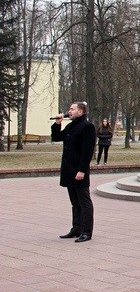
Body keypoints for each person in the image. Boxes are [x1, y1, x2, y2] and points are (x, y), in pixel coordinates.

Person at [51, 101, 96, 243]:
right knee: (75, 202)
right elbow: (56, 137)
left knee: (84, 202)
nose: (69, 111)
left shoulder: (87, 127)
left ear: (80, 112)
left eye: (72, 109)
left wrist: (82, 170)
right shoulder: (71, 126)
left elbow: (87, 151)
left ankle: (86, 232)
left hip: (79, 171)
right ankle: (76, 228)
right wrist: (57, 124)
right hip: (69, 170)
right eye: (69, 109)